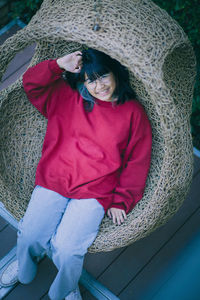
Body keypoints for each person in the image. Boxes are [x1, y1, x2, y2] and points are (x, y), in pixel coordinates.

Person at [0, 48, 152, 299]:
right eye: (90, 79)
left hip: (95, 191)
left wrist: (122, 199)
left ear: (116, 73)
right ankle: (25, 268)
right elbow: (31, 83)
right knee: (30, 235)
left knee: (68, 249)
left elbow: (138, 161)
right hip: (54, 180)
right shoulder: (66, 96)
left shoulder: (133, 112)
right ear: (82, 81)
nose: (99, 85)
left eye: (103, 76)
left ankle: (66, 287)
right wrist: (60, 64)